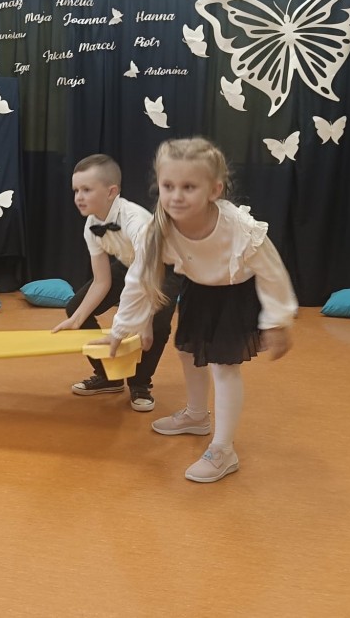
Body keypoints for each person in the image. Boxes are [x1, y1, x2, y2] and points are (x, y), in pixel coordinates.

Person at [105, 137, 297, 483]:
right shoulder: (159, 228)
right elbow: (139, 278)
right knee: (187, 351)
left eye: (189, 187)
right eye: (168, 186)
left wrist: (278, 321)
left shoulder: (239, 228)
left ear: (214, 190)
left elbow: (272, 273)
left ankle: (223, 449)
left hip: (235, 292)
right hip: (198, 287)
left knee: (223, 367)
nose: (176, 196)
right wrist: (122, 327)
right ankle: (196, 415)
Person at [52, 154, 183, 412]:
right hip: (129, 265)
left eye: (86, 190)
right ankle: (108, 376)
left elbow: (147, 272)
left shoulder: (136, 221)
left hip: (162, 268)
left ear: (111, 192)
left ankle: (140, 383)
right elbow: (102, 281)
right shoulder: (91, 226)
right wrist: (77, 319)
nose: (78, 197)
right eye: (76, 190)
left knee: (155, 324)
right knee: (76, 308)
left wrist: (144, 319)